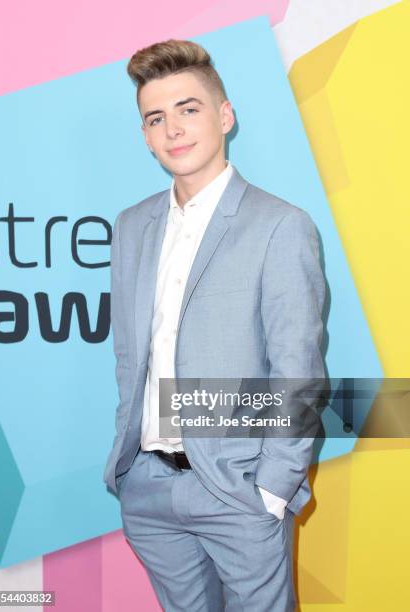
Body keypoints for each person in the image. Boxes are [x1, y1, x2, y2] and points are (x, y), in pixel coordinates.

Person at [103, 39, 326, 612]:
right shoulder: (131, 227)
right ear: (146, 135)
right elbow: (133, 358)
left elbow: (297, 373)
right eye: (156, 118)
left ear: (224, 116)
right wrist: (128, 474)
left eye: (189, 108)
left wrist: (272, 490)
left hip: (237, 488)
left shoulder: (280, 225)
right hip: (148, 490)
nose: (173, 128)